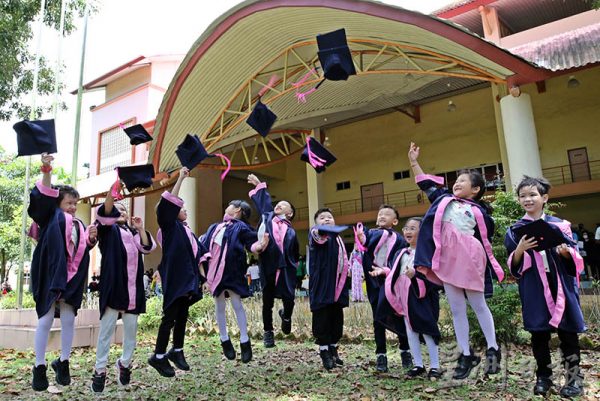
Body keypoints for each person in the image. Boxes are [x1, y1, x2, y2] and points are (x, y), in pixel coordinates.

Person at [408, 142, 504, 380]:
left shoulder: (480, 212)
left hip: (470, 257)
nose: (457, 183)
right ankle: (465, 354)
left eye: (463, 180)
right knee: (456, 308)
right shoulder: (443, 199)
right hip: (447, 260)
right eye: (456, 180)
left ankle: (493, 348)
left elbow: (485, 237)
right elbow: (426, 183)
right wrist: (413, 161)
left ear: (476, 189)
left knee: (478, 304)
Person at [505, 176, 586, 397]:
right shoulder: (515, 230)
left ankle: (574, 379)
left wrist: (565, 252)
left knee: (568, 333)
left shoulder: (560, 225)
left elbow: (574, 258)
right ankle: (544, 377)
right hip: (534, 286)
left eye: (533, 195)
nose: (527, 199)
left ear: (545, 198)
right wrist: (520, 249)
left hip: (560, 284)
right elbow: (513, 264)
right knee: (538, 334)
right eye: (523, 196)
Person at [28, 153, 98, 391]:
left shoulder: (78, 224)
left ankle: (63, 362)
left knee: (69, 319)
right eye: (69, 203)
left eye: (75, 204)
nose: (73, 207)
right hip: (50, 274)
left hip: (72, 278)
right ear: (57, 203)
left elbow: (78, 251)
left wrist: (90, 240)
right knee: (46, 319)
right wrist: (46, 169)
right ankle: (39, 366)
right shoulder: (50, 216)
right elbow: (44, 196)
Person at [90, 185, 157, 392]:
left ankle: (125, 363)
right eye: (117, 209)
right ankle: (100, 369)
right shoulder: (107, 230)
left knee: (131, 331)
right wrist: (112, 193)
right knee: (106, 331)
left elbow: (146, 247)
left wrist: (140, 228)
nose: (121, 211)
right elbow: (106, 211)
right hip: (113, 286)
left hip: (133, 289)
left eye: (124, 209)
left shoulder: (132, 232)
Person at [148, 167, 204, 378]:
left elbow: (198, 253)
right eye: (180, 208)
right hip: (176, 277)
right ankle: (158, 355)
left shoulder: (185, 230)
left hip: (188, 277)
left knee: (182, 315)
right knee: (170, 316)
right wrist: (180, 178)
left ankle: (177, 349)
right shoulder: (168, 227)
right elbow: (170, 201)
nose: (184, 209)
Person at [371, 217, 442, 379]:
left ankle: (435, 366)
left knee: (428, 330)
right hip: (405, 297)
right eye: (406, 228)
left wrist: (415, 275)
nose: (408, 231)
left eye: (413, 228)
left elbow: (434, 276)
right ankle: (418, 365)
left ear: (423, 232)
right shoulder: (401, 253)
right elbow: (395, 271)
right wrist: (383, 271)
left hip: (423, 297)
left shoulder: (428, 253)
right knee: (410, 331)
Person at [200, 199, 269, 363]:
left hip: (232, 271)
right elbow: (204, 246)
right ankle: (224, 339)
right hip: (214, 272)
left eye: (230, 205)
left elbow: (251, 244)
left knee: (237, 304)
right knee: (219, 305)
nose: (227, 207)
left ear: (237, 210)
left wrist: (259, 246)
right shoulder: (214, 227)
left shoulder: (241, 227)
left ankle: (245, 341)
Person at [355, 204, 410, 373]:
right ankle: (381, 355)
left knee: (399, 314)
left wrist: (390, 271)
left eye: (386, 214)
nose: (382, 216)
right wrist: (361, 237)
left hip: (393, 282)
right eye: (380, 214)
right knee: (378, 317)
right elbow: (364, 241)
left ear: (395, 221)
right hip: (374, 282)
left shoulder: (400, 239)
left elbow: (400, 260)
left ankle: (405, 351)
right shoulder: (371, 233)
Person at [247, 174, 299, 348]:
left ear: (289, 213)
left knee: (289, 298)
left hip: (286, 268)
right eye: (278, 203)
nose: (279, 205)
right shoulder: (268, 218)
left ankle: (286, 315)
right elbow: (265, 203)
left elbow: (295, 251)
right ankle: (268, 332)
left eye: (283, 205)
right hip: (268, 265)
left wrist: (293, 266)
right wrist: (259, 185)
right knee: (267, 302)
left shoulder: (292, 232)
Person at [308, 208, 349, 370]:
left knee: (336, 319)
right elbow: (319, 235)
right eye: (322, 218)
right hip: (322, 284)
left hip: (337, 286)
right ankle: (324, 351)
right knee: (322, 318)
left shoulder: (337, 238)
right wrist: (321, 229)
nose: (326, 219)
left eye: (330, 217)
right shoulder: (316, 234)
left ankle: (333, 348)